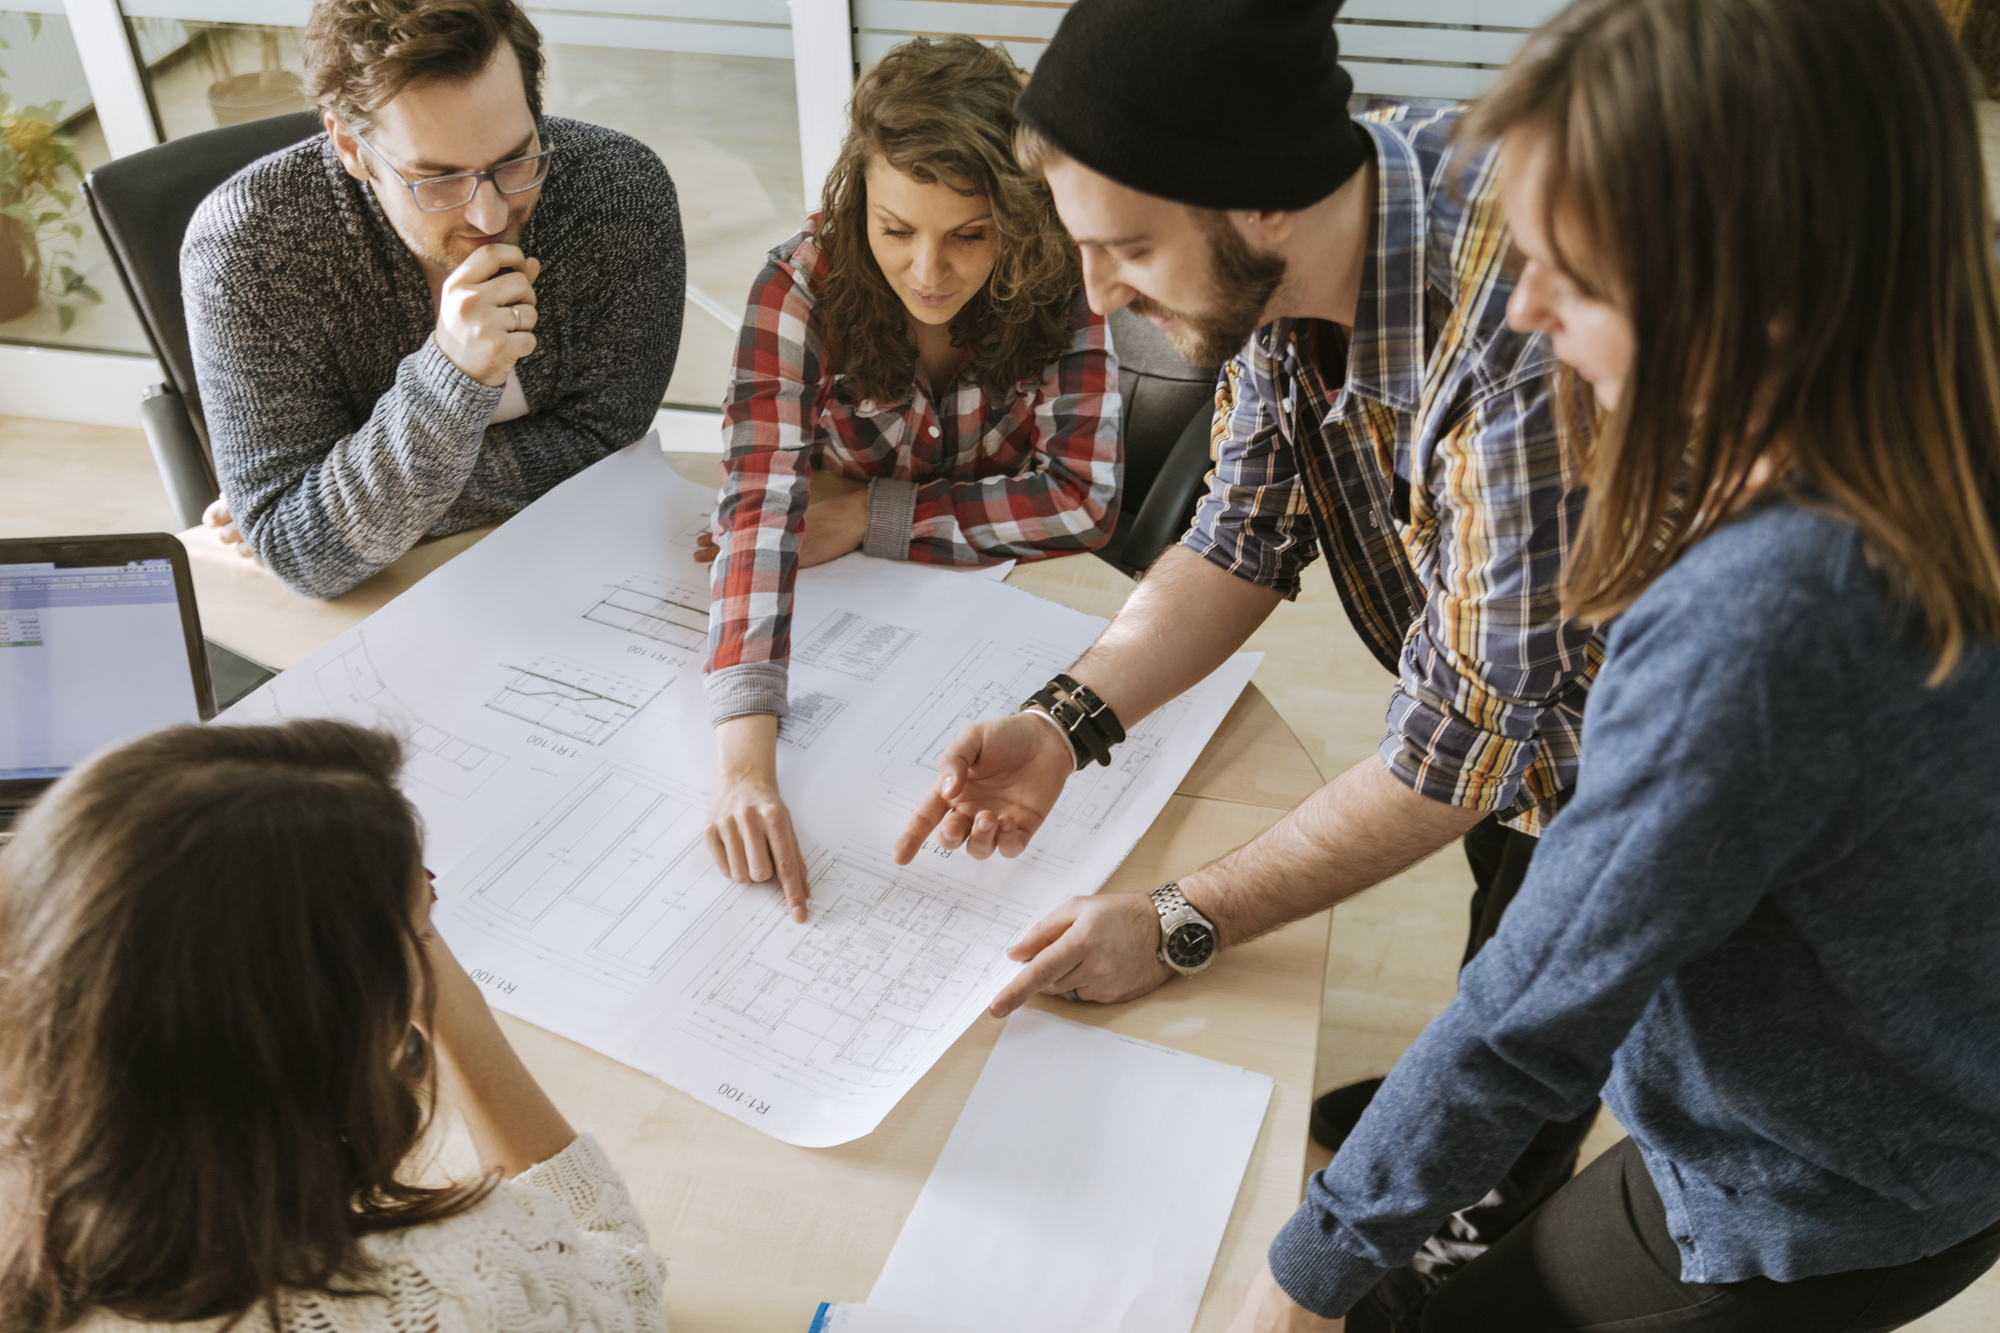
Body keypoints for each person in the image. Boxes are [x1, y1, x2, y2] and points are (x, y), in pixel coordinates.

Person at [1224, 0, 2000, 1329]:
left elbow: (1536, 1006)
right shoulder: (1937, 401)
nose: (1522, 306)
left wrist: (1308, 1273)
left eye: (1573, 274)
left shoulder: (1762, 620)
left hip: (1820, 1191)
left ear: (1758, 293)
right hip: (1883, 1103)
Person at [894, 0, 1598, 1272]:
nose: (1100, 296)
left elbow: (1456, 761)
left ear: (1263, 202)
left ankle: (1492, 1195)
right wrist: (1064, 719)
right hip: (1504, 723)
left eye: (1129, 251)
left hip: (1642, 744)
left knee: (1545, 981)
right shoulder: (1307, 214)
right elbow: (1239, 533)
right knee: (1507, 908)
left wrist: (1178, 920)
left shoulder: (1520, 350)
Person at [0, 719, 667, 1332]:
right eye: (422, 911)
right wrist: (449, 1002)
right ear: (322, 1023)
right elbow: (624, 1286)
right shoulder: (441, 1287)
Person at [699, 35, 1121, 920]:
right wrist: (744, 769)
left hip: (1006, 612)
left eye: (970, 237)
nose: (929, 273)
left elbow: (1082, 501)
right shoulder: (799, 287)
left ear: (1021, 212)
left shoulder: (1065, 281)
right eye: (896, 231)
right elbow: (759, 510)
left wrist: (871, 517)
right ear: (858, 204)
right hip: (837, 606)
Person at [187, 0, 684, 599]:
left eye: (514, 159)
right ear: (349, 146)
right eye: (438, 179)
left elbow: (608, 441)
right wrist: (454, 372)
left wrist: (341, 505)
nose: (491, 213)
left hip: (577, 566)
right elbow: (304, 556)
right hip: (384, 607)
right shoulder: (248, 245)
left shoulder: (619, 188)